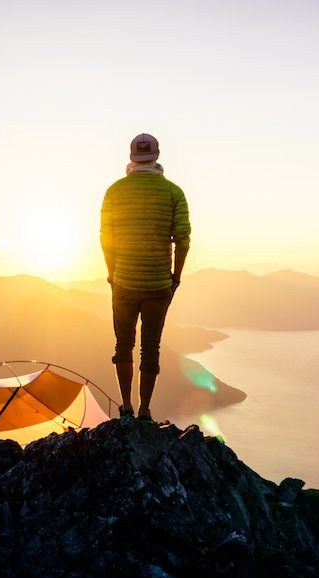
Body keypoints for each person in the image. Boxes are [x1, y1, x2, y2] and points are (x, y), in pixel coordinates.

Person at [100, 133, 191, 423]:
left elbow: (106, 239)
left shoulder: (114, 191)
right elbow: (183, 239)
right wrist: (175, 278)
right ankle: (144, 411)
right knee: (151, 347)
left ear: (131, 157)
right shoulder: (173, 192)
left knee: (123, 344)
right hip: (158, 285)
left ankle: (125, 406)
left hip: (124, 282)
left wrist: (113, 274)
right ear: (157, 156)